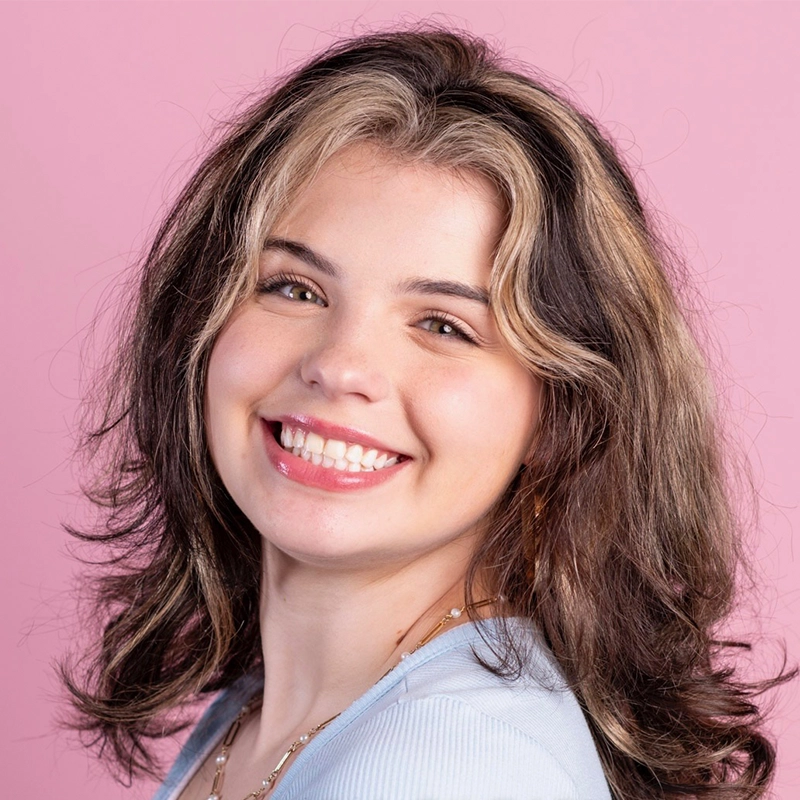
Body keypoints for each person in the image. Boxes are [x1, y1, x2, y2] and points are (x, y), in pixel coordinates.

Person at [62, 28, 789, 800]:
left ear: (561, 417)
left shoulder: (448, 767)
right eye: (294, 289)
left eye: (443, 326)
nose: (338, 365)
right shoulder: (265, 712)